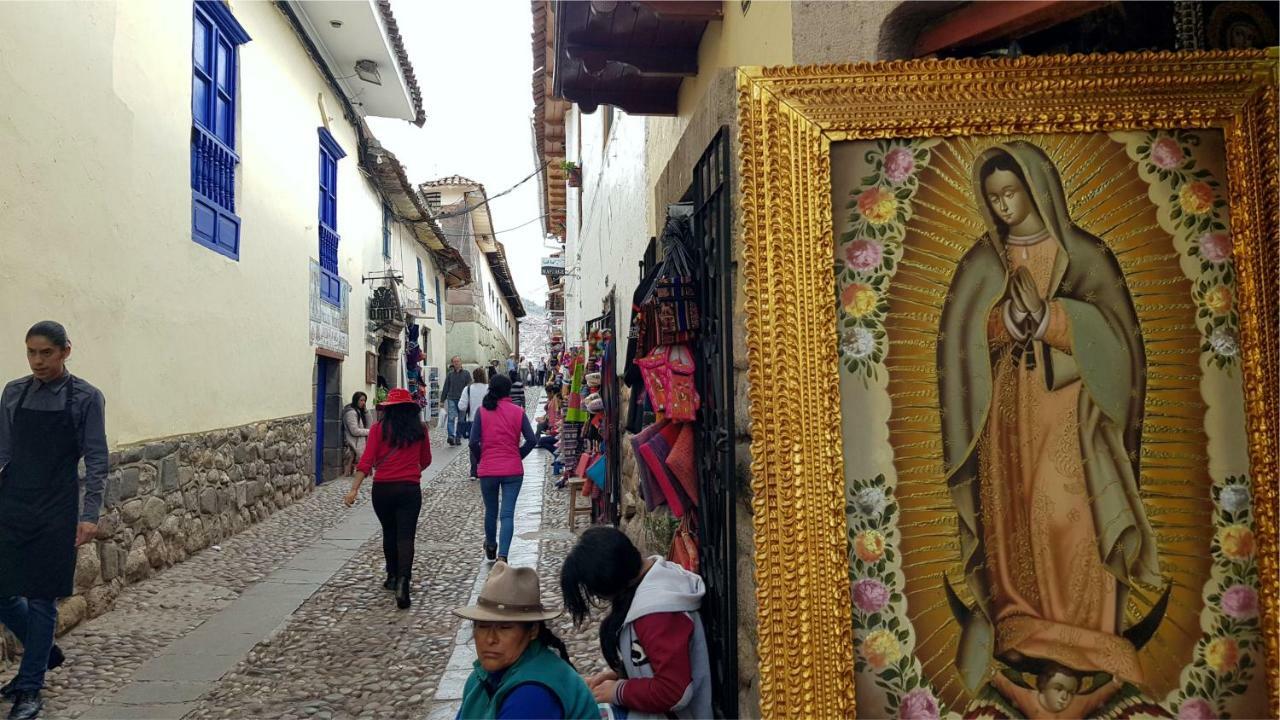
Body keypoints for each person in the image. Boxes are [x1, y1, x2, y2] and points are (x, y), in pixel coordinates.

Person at [938, 142, 1159, 714]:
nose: (1004, 205)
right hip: (1005, 418)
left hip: (1070, 416)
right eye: (993, 198)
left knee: (1068, 513)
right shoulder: (983, 262)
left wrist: (1053, 318)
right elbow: (959, 339)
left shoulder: (1085, 255)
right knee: (1015, 512)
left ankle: (1087, 631)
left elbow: (1123, 345)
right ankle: (1022, 622)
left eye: (1011, 192)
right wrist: (1004, 320)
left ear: (1037, 190)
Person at [0, 321, 107, 720]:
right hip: (12, 501)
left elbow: (97, 459)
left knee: (43, 596)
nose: (37, 361)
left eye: (46, 353)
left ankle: (29, 688)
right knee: (3, 591)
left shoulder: (86, 398)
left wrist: (89, 514)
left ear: (66, 351)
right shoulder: (13, 392)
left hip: (57, 507)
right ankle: (45, 653)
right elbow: (3, 451)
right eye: (31, 352)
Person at [560, 527, 712, 720]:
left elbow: (674, 691)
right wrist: (620, 676)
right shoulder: (658, 577)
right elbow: (656, 660)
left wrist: (618, 691)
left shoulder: (656, 614)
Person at [454, 562, 597, 720]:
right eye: (483, 626)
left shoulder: (533, 692)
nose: (490, 639)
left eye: (505, 628)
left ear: (533, 630)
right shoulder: (479, 678)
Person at [343, 388, 432, 609]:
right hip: (410, 489)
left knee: (389, 532)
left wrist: (354, 489)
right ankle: (404, 581)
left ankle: (391, 576)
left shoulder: (377, 429)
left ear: (389, 410)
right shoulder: (420, 430)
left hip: (382, 490)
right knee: (406, 536)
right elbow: (427, 459)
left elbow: (366, 461)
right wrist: (412, 469)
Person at [468, 375, 536, 562]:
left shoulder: (482, 412)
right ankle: (503, 556)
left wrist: (483, 458)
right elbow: (532, 440)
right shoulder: (518, 411)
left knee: (491, 511)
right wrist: (518, 455)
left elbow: (473, 442)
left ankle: (490, 544)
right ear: (508, 390)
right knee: (507, 514)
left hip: (489, 469)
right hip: (513, 470)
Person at [456, 368, 489, 482]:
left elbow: (462, 406)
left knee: (473, 445)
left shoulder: (468, 389)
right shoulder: (488, 388)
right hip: (487, 420)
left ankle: (474, 471)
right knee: (486, 444)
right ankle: (485, 468)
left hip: (472, 420)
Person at [441, 356, 471, 447]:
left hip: (463, 400)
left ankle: (458, 437)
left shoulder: (466, 374)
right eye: (454, 362)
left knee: (461, 420)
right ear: (452, 363)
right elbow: (446, 387)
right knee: (451, 418)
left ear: (461, 362)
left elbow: (469, 387)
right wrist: (442, 400)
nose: (456, 363)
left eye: (458, 361)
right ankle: (451, 436)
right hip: (451, 399)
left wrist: (470, 399)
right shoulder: (450, 374)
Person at [341, 392, 369, 476]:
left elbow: (370, 423)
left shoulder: (359, 411)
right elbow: (354, 431)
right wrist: (369, 431)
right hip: (353, 440)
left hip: (359, 439)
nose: (363, 403)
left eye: (364, 400)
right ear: (356, 400)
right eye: (361, 400)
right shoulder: (351, 413)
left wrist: (366, 411)